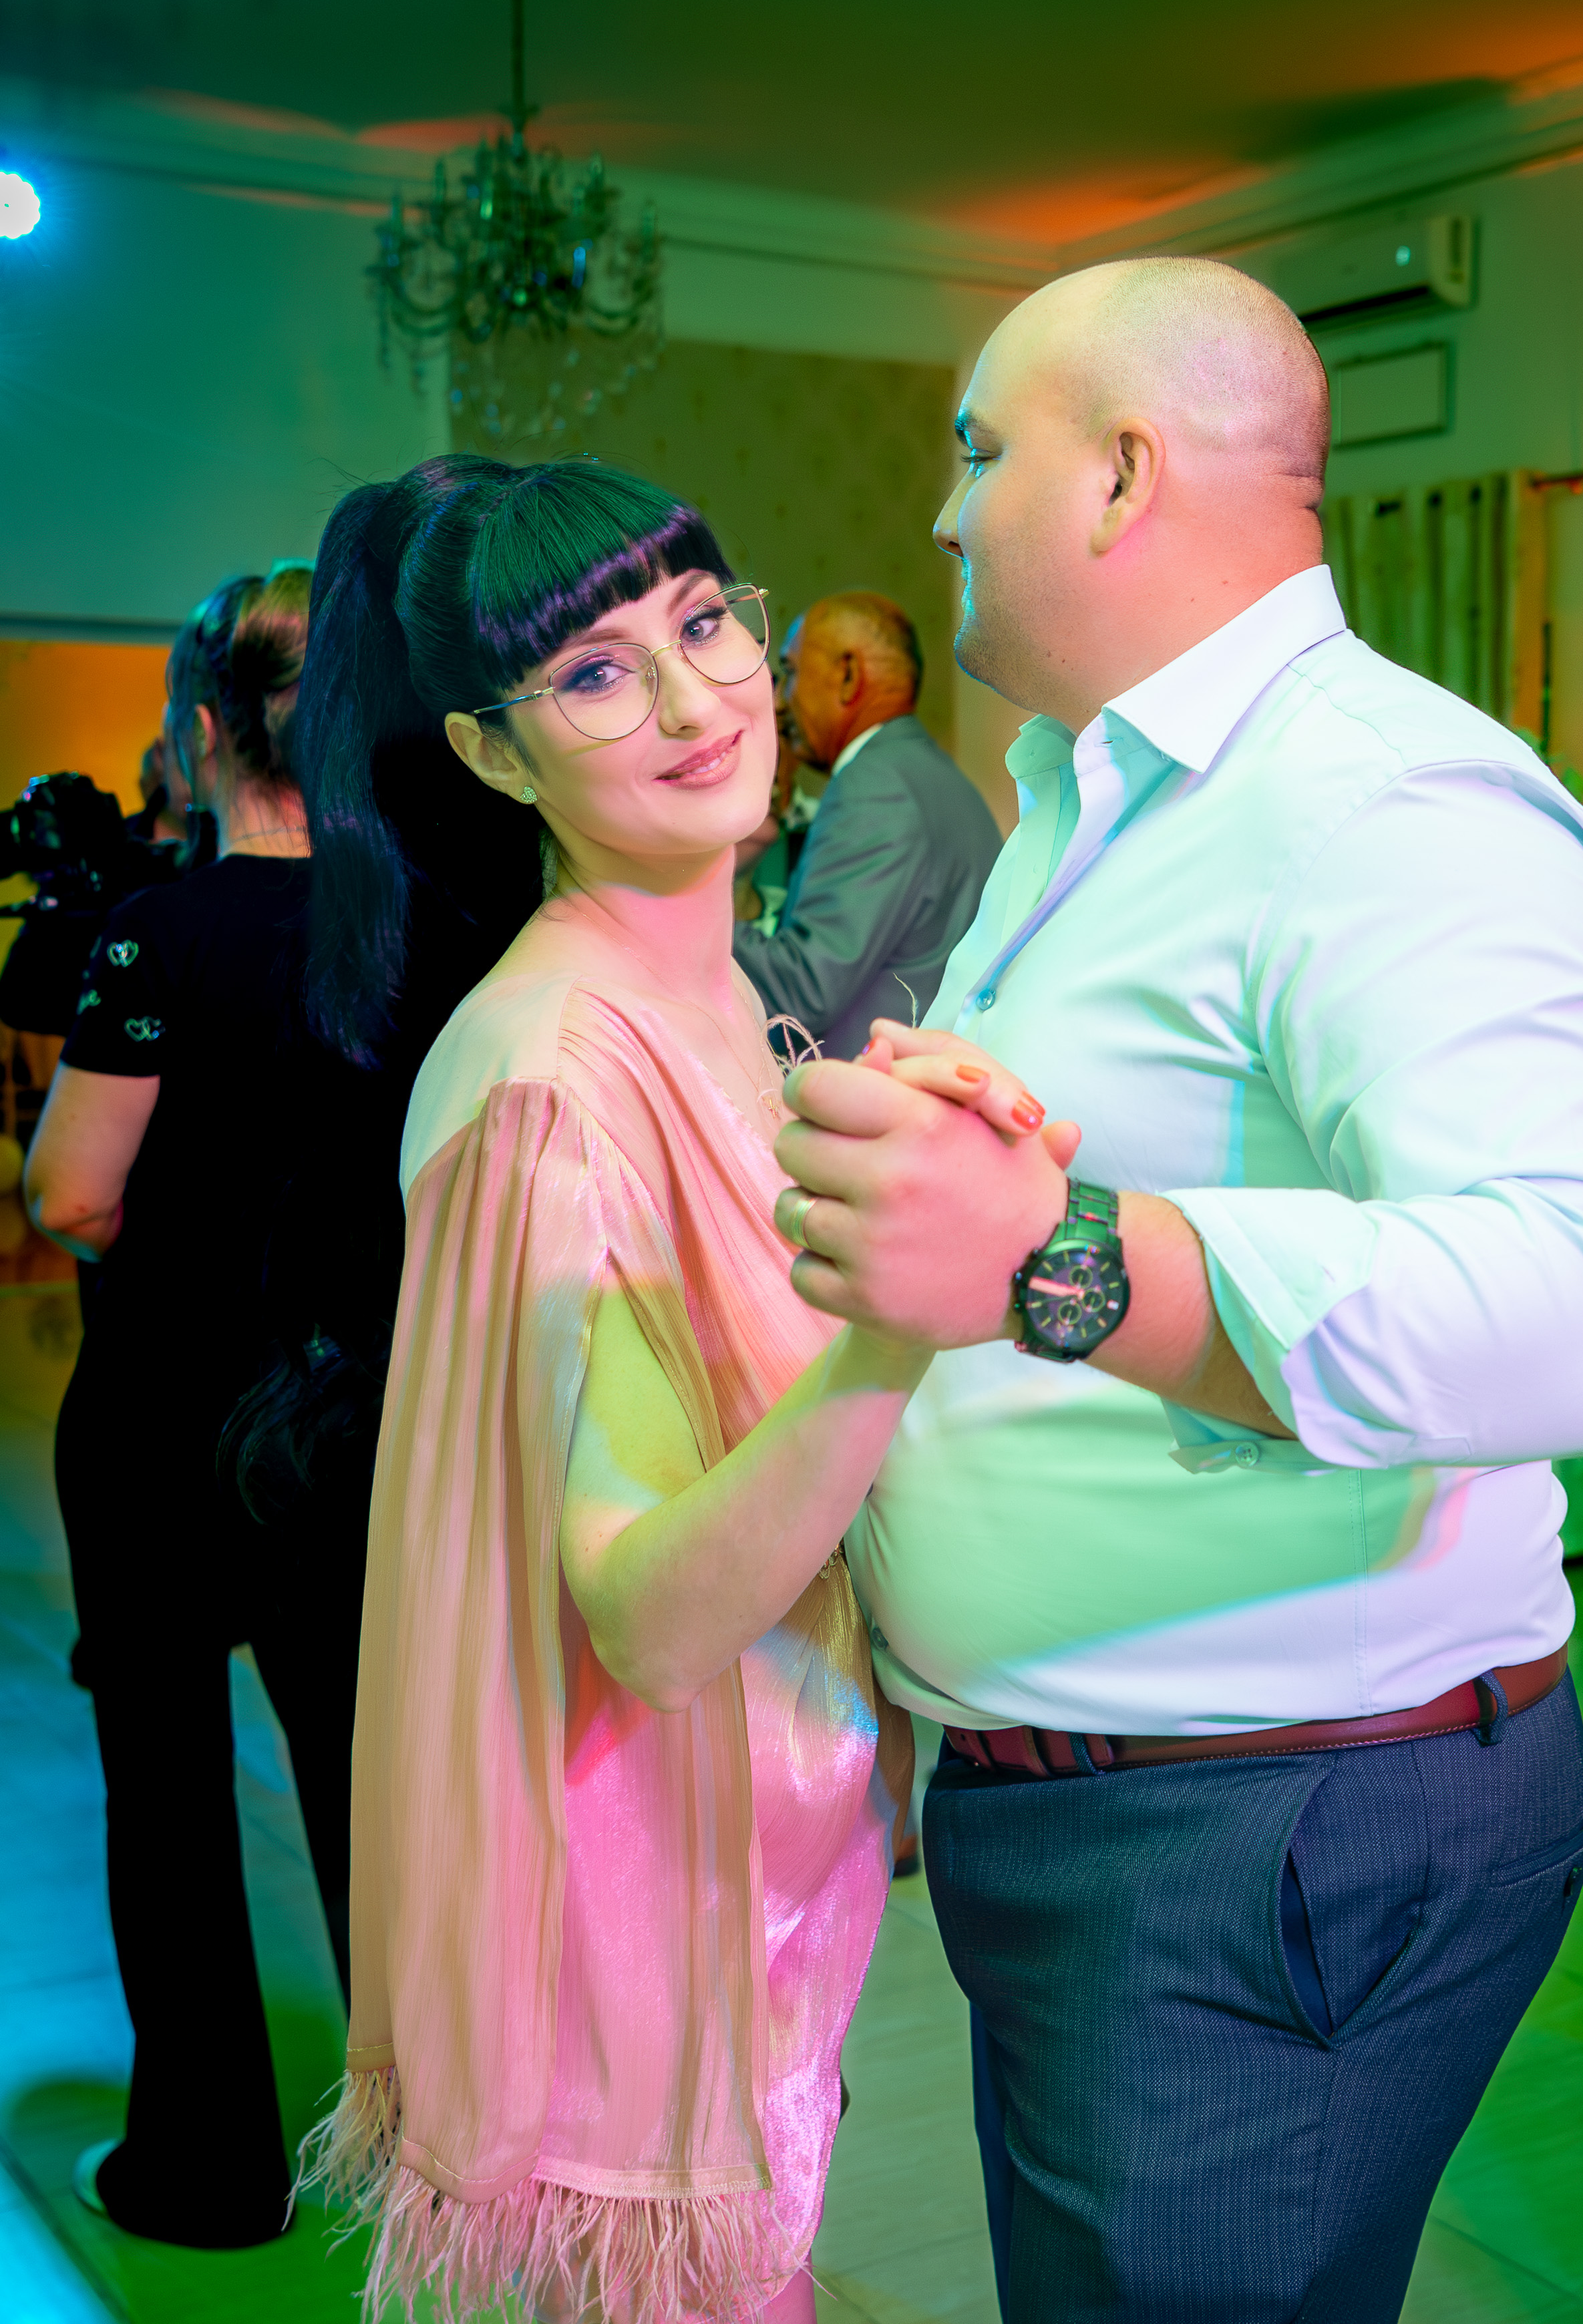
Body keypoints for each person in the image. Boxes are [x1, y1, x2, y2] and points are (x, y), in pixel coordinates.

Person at [770, 258, 1583, 2321]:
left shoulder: (1376, 796)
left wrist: (1051, 1253)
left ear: (1120, 474)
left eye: (978, 451)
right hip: (1127, 1808)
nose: (942, 512)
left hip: (1261, 1832)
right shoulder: (1083, 795)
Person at [292, 455, 1026, 2324]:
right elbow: (647, 1610)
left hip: (772, 1859)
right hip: (644, 1918)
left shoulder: (723, 1004)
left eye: (705, 624)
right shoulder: (551, 1082)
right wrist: (895, 1320)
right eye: (599, 673)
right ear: (493, 751)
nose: (699, 699)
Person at [23, 562, 372, 2251]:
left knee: (167, 1790)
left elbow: (71, 1194)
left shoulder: (157, 932)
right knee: (369, 1784)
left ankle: (209, 2166)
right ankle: (431, 2145)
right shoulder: (422, 931)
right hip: (350, 1413)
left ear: (206, 733)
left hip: (166, 1417)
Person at [732, 592, 1000, 1058]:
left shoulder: (875, 785)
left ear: (849, 676)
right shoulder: (933, 777)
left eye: (790, 673)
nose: (779, 704)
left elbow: (802, 990)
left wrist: (674, 910)